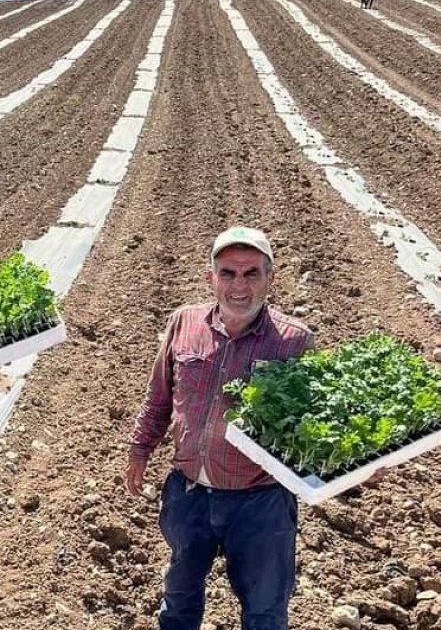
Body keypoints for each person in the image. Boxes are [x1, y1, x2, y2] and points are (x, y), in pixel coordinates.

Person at [125, 227, 314, 630]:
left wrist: (361, 467)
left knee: (264, 612)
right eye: (227, 273)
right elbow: (160, 395)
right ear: (211, 277)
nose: (239, 285)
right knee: (179, 604)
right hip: (189, 493)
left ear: (270, 278)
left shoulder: (294, 342)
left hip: (260, 503)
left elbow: (313, 427)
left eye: (251, 273)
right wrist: (140, 449)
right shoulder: (183, 322)